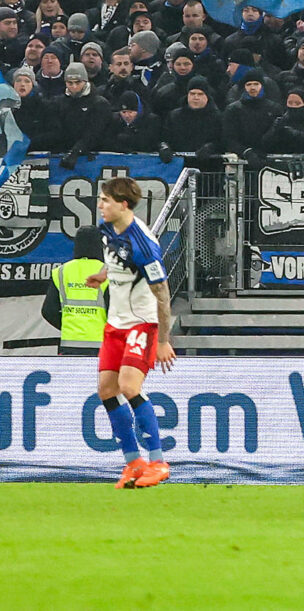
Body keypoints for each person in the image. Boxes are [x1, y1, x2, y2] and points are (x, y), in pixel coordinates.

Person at [96, 178, 176, 487]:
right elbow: (113, 260)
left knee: (129, 386)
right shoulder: (107, 229)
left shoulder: (144, 244)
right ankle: (134, 463)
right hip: (115, 324)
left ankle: (158, 462)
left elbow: (162, 294)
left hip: (141, 323)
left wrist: (163, 340)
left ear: (123, 204)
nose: (100, 205)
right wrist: (102, 275)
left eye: (105, 200)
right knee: (106, 389)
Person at [47, 226, 105, 360]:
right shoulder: (106, 272)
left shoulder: (61, 272)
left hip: (69, 345)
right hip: (101, 346)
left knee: (71, 380)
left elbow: (48, 311)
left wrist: (70, 327)